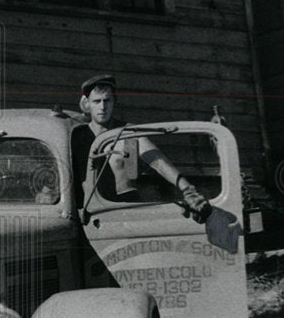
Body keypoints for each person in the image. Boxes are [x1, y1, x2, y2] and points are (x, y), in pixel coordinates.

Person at [72, 74, 211, 219]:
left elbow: (157, 160)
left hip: (125, 208)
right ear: (87, 103)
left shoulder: (127, 132)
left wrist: (187, 189)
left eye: (107, 100)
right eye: (97, 101)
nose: (103, 107)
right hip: (91, 212)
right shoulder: (78, 136)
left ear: (114, 101)